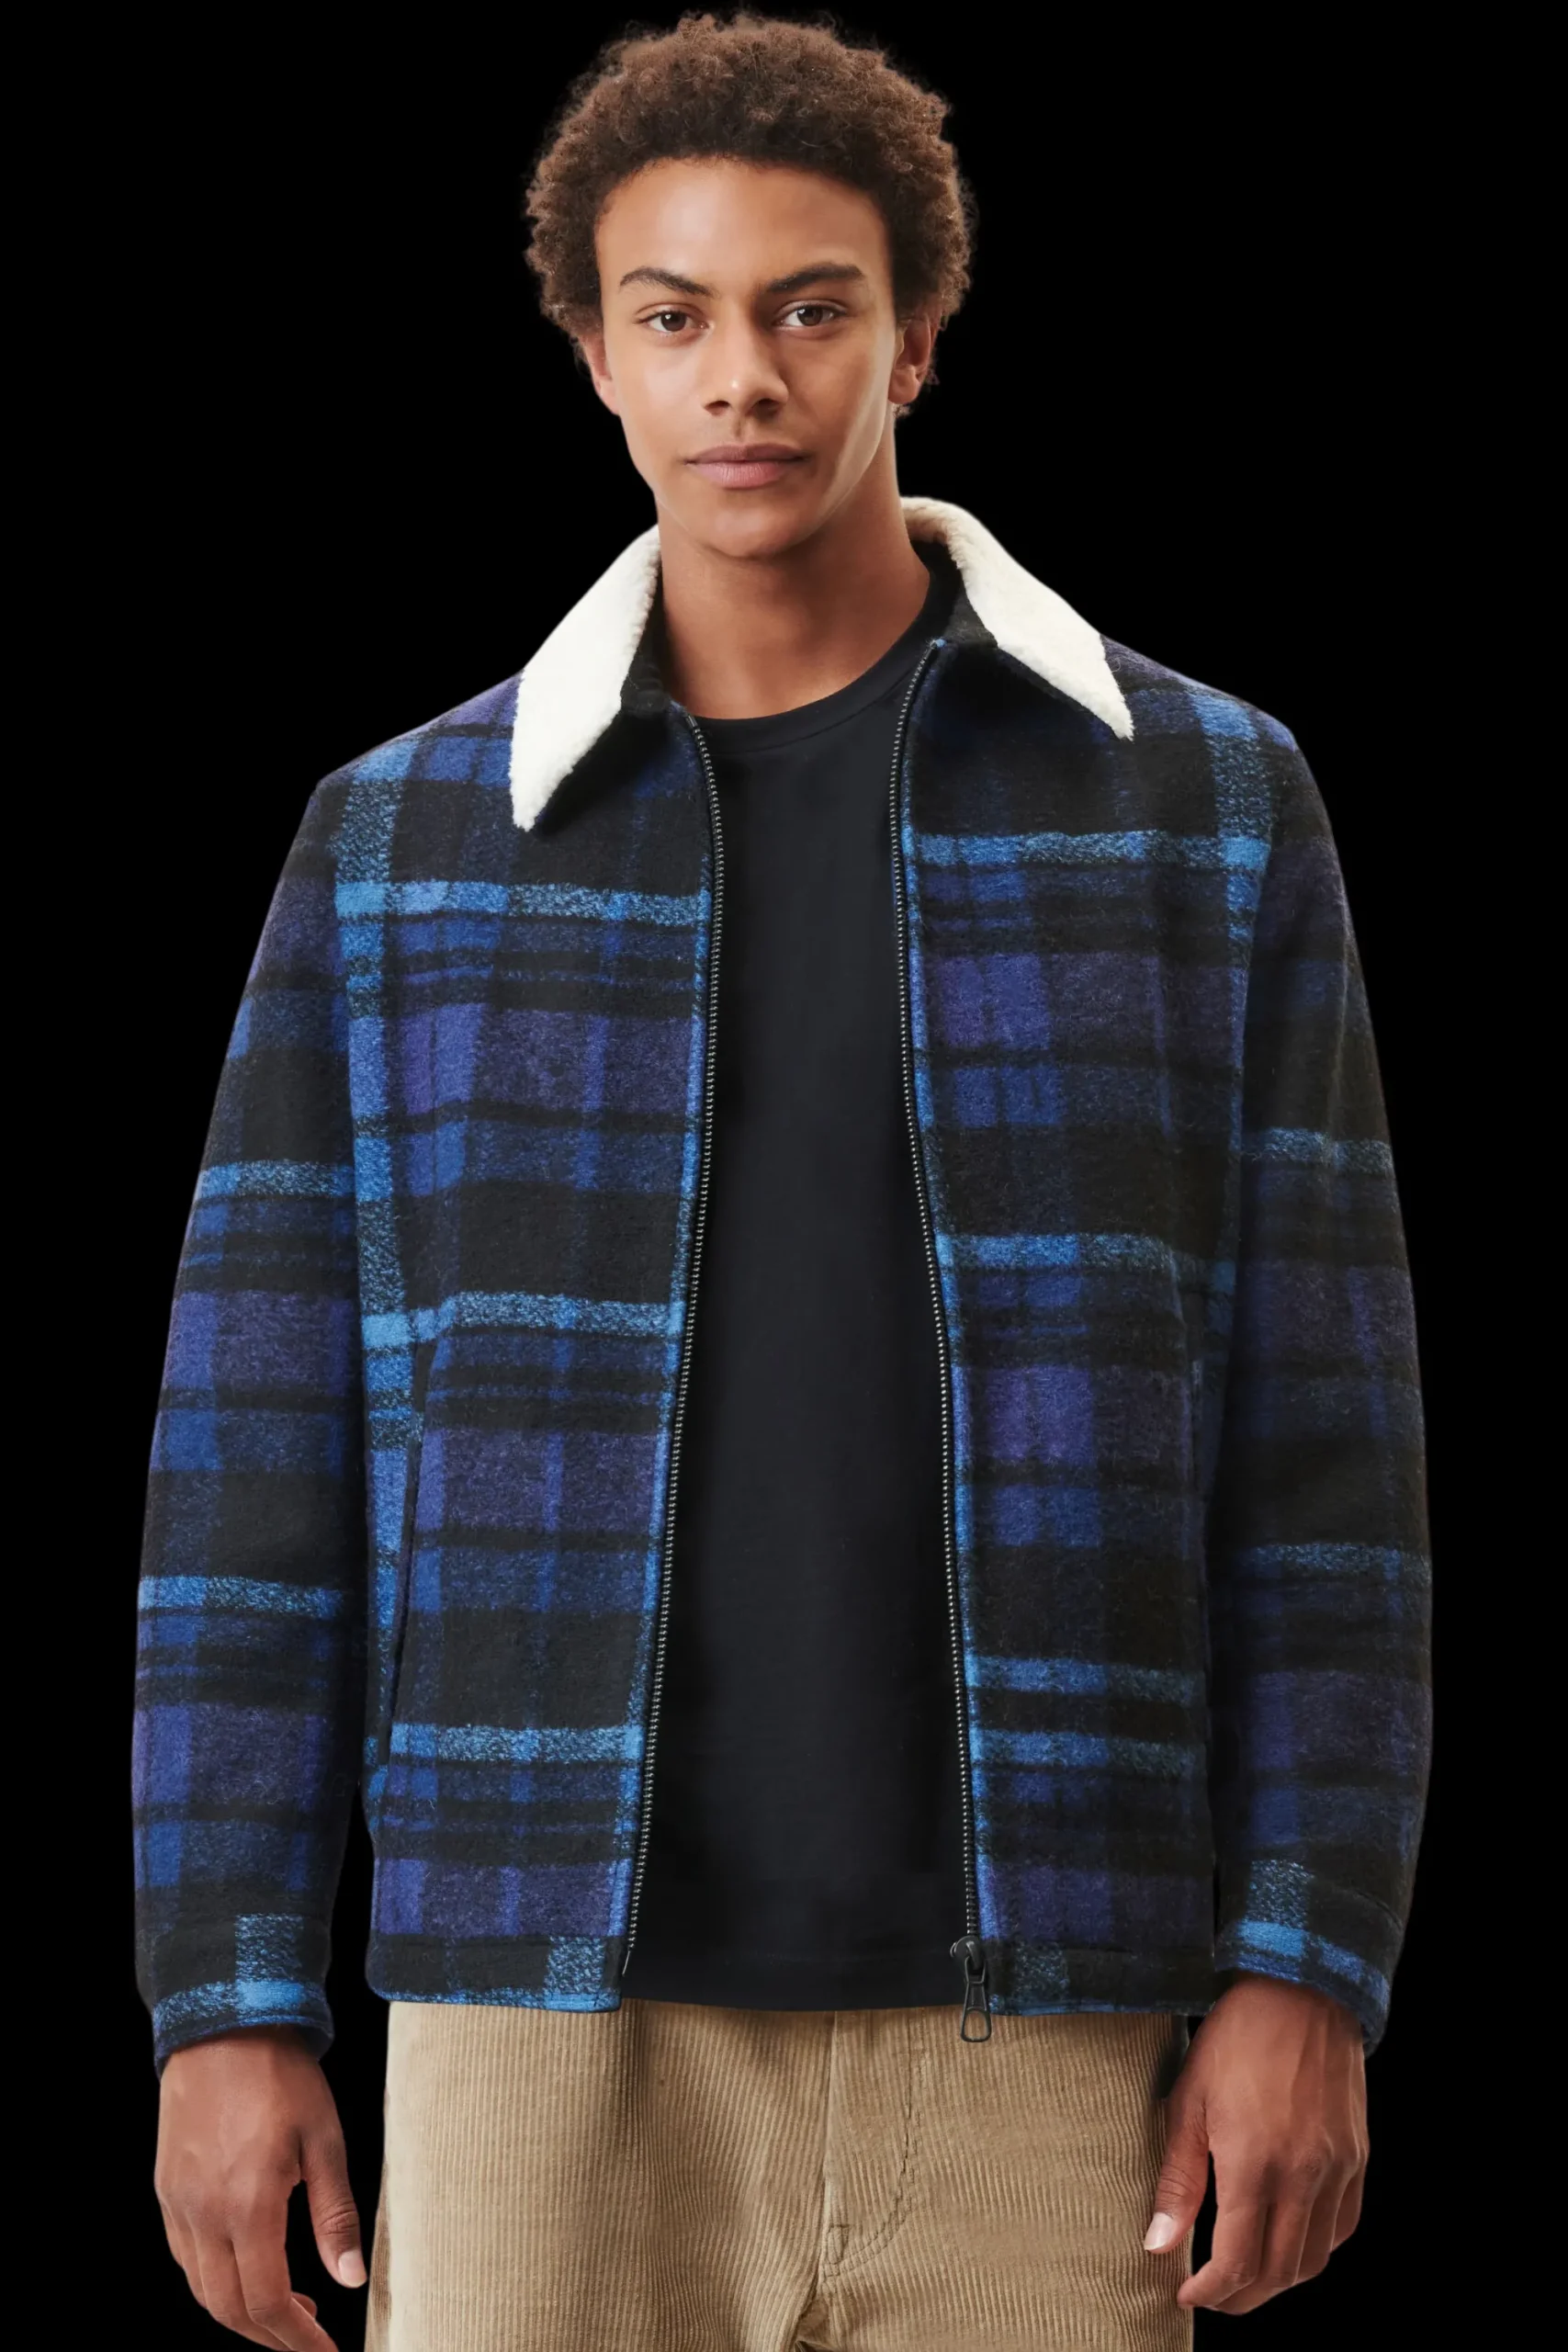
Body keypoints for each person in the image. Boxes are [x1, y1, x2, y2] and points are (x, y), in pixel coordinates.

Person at [137, 16, 1432, 2350]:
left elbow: (1325, 1457)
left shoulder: (1203, 807)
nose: (742, 376)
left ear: (915, 339)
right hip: (537, 2003)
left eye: (809, 307)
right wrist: (223, 1996)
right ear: (595, 356)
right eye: (675, 315)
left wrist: (1307, 1959)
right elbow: (255, 1467)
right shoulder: (403, 845)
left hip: (1052, 2006)